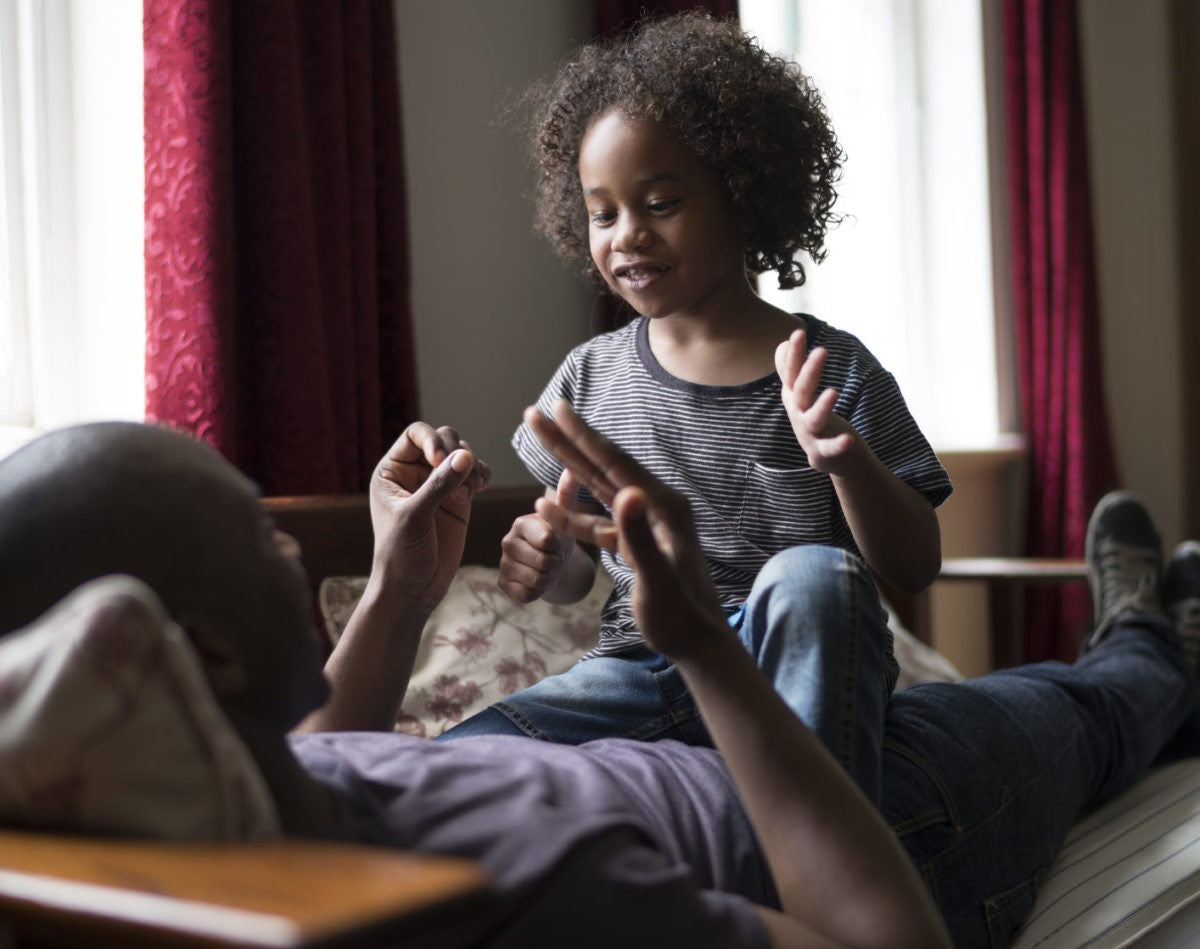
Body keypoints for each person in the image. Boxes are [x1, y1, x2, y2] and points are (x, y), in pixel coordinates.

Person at [1, 416, 1198, 948]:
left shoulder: (213, 806)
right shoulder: (506, 883)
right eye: (251, 532)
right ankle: (1150, 634)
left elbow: (319, 737)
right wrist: (704, 647)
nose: (280, 544)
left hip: (740, 767)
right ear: (197, 654)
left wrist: (403, 582)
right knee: (1086, 710)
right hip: (858, 823)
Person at [439, 13, 952, 804]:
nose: (627, 236)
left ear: (745, 197)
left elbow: (915, 565)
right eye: (603, 213)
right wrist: (548, 557)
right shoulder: (587, 378)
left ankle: (817, 840)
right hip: (639, 675)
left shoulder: (831, 368)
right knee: (451, 762)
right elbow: (580, 566)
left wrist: (846, 458)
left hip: (786, 682)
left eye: (662, 202)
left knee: (815, 575)